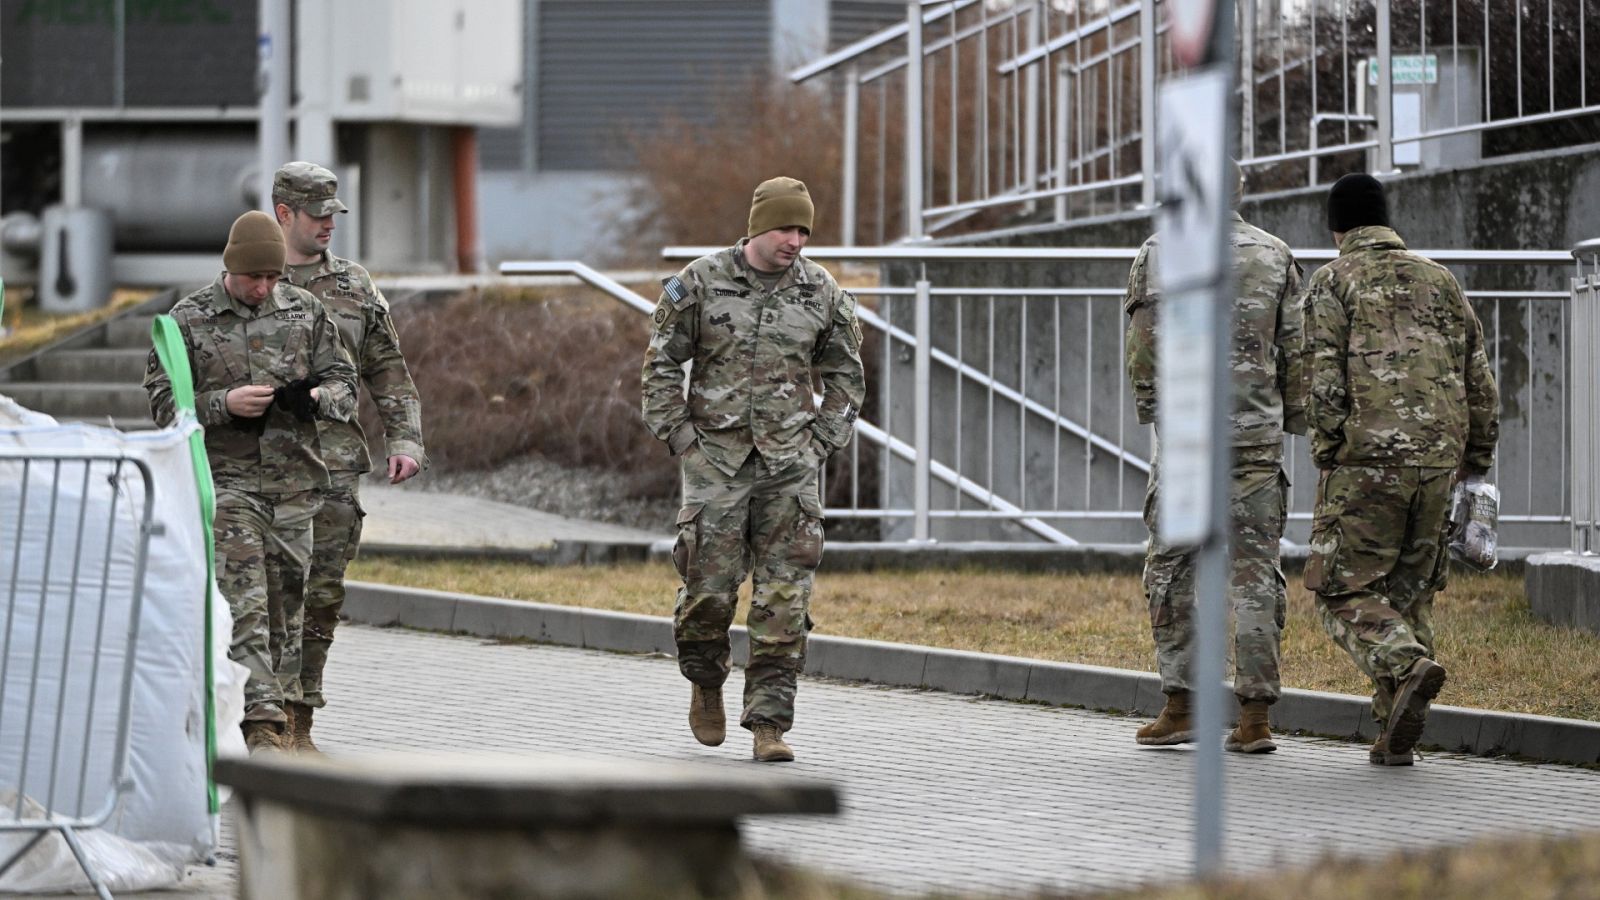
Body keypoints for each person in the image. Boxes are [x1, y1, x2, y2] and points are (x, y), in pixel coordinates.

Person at [640, 176, 866, 762]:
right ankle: (706, 679)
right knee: (708, 595)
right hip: (715, 461)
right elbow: (660, 366)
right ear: (759, 225)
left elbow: (847, 377)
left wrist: (821, 441)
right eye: (787, 228)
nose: (796, 240)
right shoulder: (699, 282)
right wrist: (683, 437)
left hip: (790, 465)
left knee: (784, 597)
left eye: (804, 231)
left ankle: (770, 725)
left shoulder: (822, 293)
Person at [1302, 173, 1499, 766]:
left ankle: (1407, 667)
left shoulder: (1333, 280)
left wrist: (1328, 449)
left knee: (1339, 587)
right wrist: (1477, 463)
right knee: (1410, 595)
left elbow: (1324, 380)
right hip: (1440, 462)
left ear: (1336, 226)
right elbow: (1480, 383)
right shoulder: (1442, 279)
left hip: (1367, 462)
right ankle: (1395, 736)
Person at [144, 210, 357, 753]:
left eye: (272, 277)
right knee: (247, 601)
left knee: (288, 607)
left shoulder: (306, 312)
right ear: (229, 269)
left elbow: (344, 384)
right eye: (252, 277)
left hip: (294, 484)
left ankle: (278, 715)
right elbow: (165, 404)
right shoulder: (188, 320)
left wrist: (315, 398)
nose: (263, 288)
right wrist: (222, 404)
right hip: (227, 484)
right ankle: (260, 723)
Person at [1125, 161, 1305, 754]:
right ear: (1240, 192)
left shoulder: (1160, 251)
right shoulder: (1276, 255)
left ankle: (1181, 705)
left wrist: (1154, 408)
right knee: (1256, 576)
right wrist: (1295, 418)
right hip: (1255, 441)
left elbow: (1144, 340)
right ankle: (1255, 717)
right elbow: (1298, 350)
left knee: (1172, 570)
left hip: (1186, 442)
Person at [274, 161, 427, 753]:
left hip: (335, 465)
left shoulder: (354, 286)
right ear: (285, 214)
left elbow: (388, 369)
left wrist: (406, 440)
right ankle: (268, 715)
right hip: (265, 468)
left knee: (322, 593)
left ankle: (302, 714)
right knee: (271, 593)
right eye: (317, 216)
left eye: (334, 215)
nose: (328, 226)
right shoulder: (255, 274)